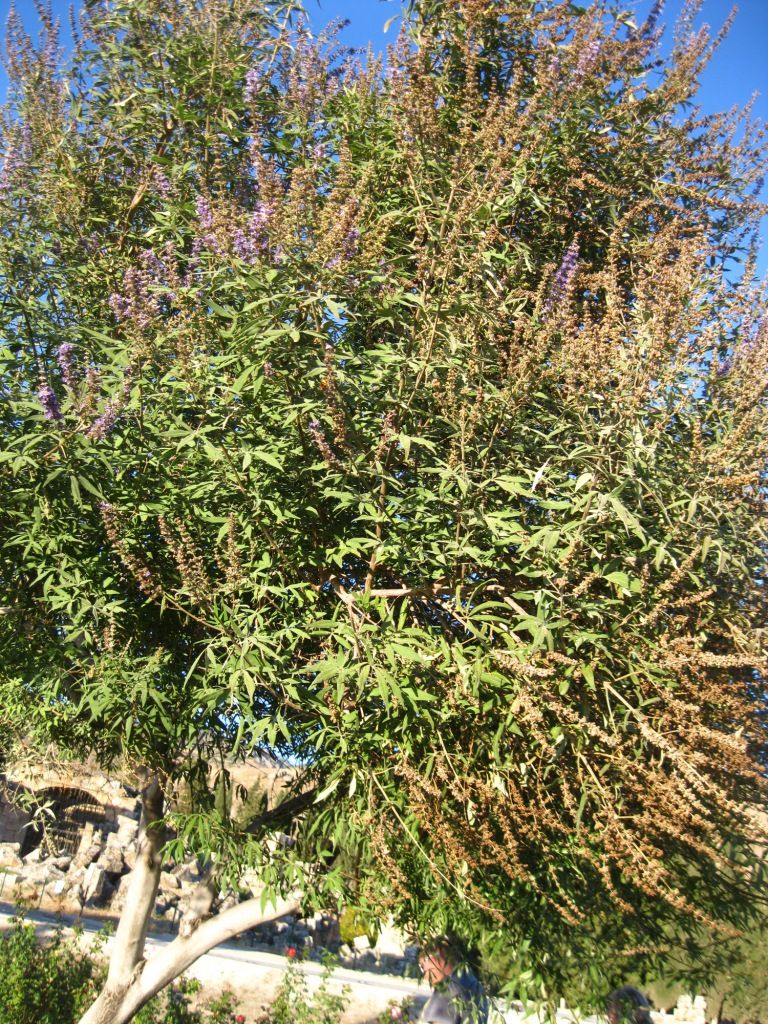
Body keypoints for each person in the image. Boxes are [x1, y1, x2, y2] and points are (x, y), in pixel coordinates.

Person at [418, 937, 489, 1024]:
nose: (425, 977)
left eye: (422, 966)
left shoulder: (447, 989)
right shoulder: (472, 981)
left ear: (434, 959)